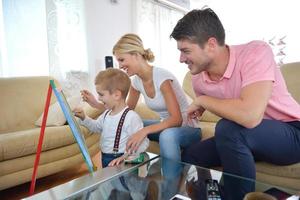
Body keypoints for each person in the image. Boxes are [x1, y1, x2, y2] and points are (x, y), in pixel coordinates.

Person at [170, 8, 300, 200]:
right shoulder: (198, 77)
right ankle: (214, 197)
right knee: (192, 155)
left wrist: (203, 100)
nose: (181, 58)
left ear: (211, 44)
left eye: (186, 51)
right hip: (247, 138)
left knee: (228, 129)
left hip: (291, 134)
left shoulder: (256, 52)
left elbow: (250, 117)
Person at [82, 33, 201, 198]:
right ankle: (123, 167)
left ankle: (169, 192)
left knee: (165, 135)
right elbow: (122, 113)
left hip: (187, 128)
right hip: (166, 126)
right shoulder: (136, 82)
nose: (120, 65)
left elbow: (176, 119)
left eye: (122, 60)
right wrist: (96, 103)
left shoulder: (162, 77)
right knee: (132, 123)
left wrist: (144, 131)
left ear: (136, 55)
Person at [74, 68, 149, 167]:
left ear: (116, 95)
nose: (99, 98)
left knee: (123, 183)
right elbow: (96, 127)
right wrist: (84, 118)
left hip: (122, 160)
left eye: (101, 94)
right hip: (105, 157)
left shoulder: (131, 117)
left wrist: (126, 157)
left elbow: (143, 142)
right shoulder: (106, 114)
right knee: (108, 182)